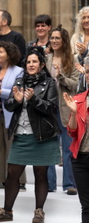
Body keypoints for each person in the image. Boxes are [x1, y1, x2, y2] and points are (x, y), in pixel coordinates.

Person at [0, 46, 61, 223]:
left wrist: (33, 100)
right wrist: (17, 101)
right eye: (28, 62)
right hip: (21, 135)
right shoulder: (19, 81)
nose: (30, 64)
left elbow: (51, 108)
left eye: (34, 61)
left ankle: (39, 211)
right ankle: (7, 211)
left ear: (42, 64)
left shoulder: (49, 83)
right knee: (12, 174)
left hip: (42, 136)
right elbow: (8, 106)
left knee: (41, 174)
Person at [0, 41, 26, 190]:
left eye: (1, 52)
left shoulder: (18, 71)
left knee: (13, 147)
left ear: (9, 54)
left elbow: (19, 91)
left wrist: (1, 92)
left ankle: (18, 180)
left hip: (12, 113)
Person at [46, 24, 79, 194]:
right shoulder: (46, 59)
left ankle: (69, 184)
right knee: (50, 147)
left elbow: (75, 85)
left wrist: (61, 77)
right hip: (49, 108)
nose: (54, 41)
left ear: (64, 40)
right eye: (52, 38)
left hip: (66, 108)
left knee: (67, 147)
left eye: (57, 38)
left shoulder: (72, 60)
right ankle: (50, 185)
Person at [63, 56, 89, 223]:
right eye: (87, 72)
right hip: (81, 158)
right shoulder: (79, 98)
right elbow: (72, 131)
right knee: (86, 206)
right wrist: (73, 113)